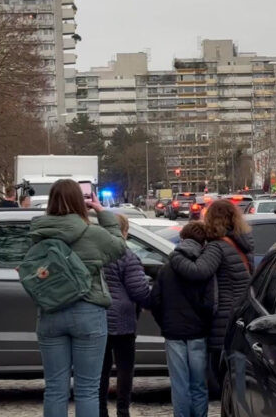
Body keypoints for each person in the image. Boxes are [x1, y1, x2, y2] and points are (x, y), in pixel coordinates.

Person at [30, 179, 127, 417]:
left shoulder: (38, 232)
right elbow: (120, 247)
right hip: (88, 310)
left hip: (51, 311)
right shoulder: (92, 233)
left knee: (54, 388)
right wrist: (103, 212)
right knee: (87, 389)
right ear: (81, 202)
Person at [168, 201, 253, 395]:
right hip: (242, 315)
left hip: (224, 318)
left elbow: (198, 271)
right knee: (238, 374)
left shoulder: (218, 247)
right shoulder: (243, 244)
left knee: (223, 379)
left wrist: (175, 256)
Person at [149, 221, 214, 417]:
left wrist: (165, 324)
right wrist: (204, 324)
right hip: (198, 333)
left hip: (174, 333)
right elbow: (210, 303)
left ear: (182, 238)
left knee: (179, 385)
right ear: (203, 243)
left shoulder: (166, 269)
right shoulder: (204, 268)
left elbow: (155, 302)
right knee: (199, 385)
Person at [99, 214, 151, 417]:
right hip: (123, 320)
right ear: (124, 231)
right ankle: (123, 411)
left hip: (99, 317)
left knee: (100, 371)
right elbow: (138, 290)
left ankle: (100, 410)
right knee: (124, 369)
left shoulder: (96, 252)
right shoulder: (127, 255)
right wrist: (149, 302)